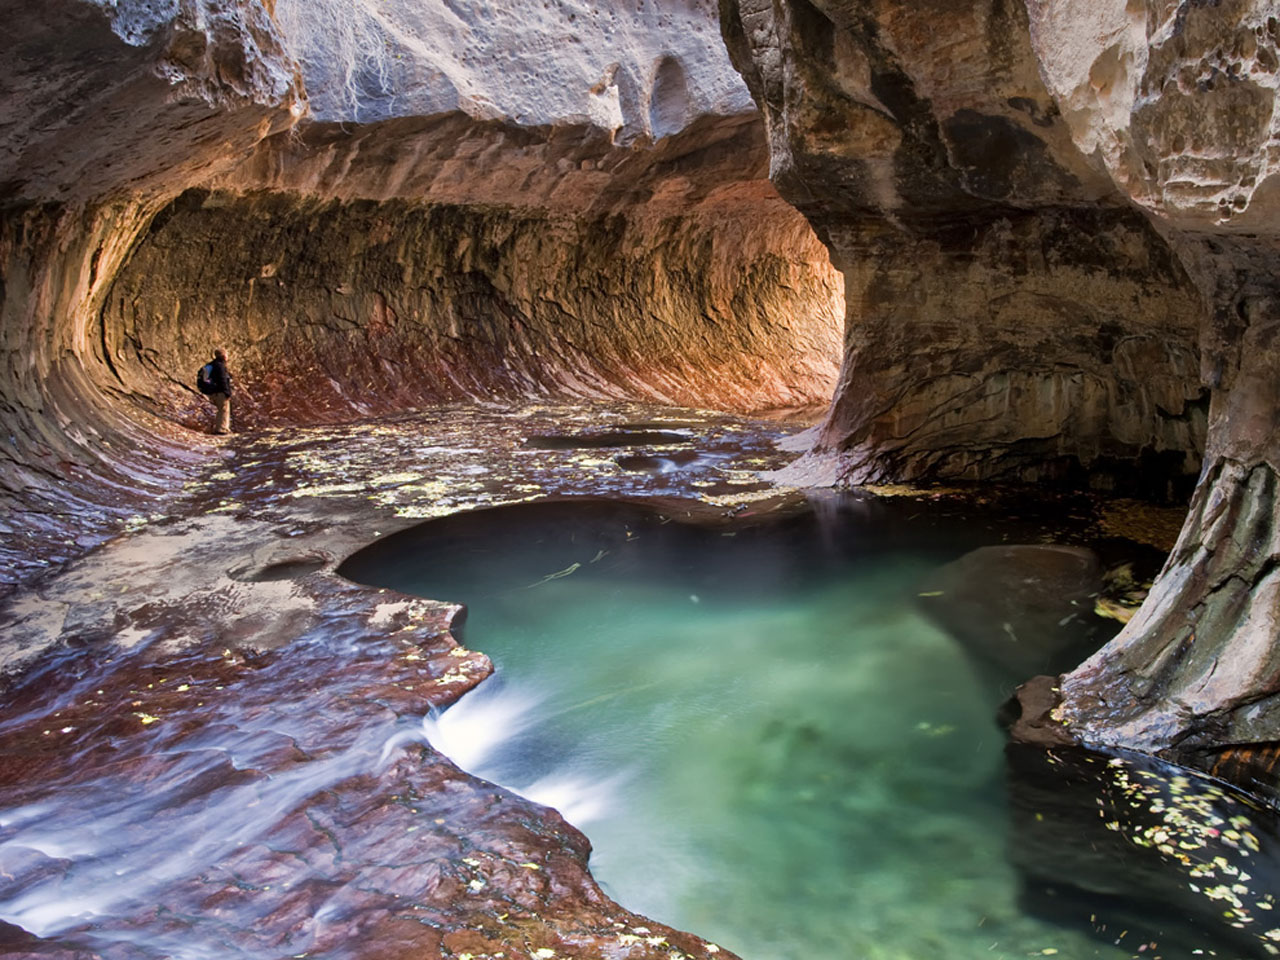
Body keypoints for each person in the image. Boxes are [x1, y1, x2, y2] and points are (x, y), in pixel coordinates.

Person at [207, 347, 233, 435]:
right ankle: (222, 429)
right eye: (226, 354)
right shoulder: (220, 366)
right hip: (220, 392)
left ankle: (220, 428)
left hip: (213, 392)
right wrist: (227, 392)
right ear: (224, 356)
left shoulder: (212, 365)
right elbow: (223, 380)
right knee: (224, 410)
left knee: (220, 410)